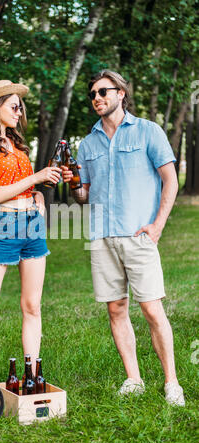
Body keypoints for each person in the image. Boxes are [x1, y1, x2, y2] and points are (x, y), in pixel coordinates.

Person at [61, 69, 185, 406]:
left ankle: (171, 382)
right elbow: (83, 197)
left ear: (121, 93)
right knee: (116, 309)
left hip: (138, 234)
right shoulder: (87, 144)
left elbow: (170, 181)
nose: (97, 98)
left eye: (103, 91)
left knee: (152, 310)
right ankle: (134, 379)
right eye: (92, 95)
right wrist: (74, 184)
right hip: (101, 236)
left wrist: (157, 225)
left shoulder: (148, 131)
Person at [0, 80, 61, 375]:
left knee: (32, 306)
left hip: (32, 226)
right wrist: (36, 179)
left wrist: (38, 196)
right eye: (14, 106)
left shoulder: (19, 145)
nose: (20, 112)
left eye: (20, 107)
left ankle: (32, 376)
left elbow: (23, 187)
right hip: (4, 226)